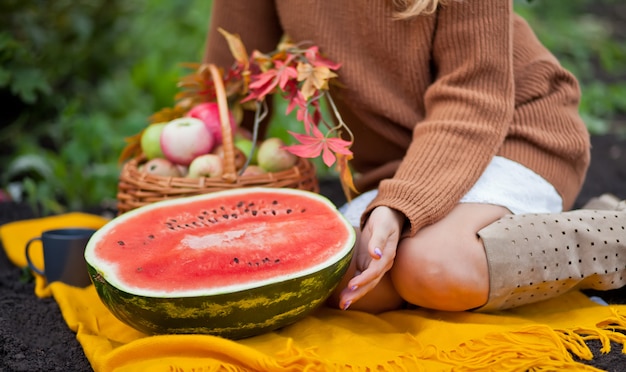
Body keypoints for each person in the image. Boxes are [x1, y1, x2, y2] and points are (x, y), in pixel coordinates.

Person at [204, 0, 626, 313]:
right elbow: (230, 91)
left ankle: (613, 236)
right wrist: (194, 159)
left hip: (513, 133)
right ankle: (509, 239)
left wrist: (398, 206)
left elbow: (474, 98)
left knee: (432, 266)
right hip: (405, 164)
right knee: (344, 284)